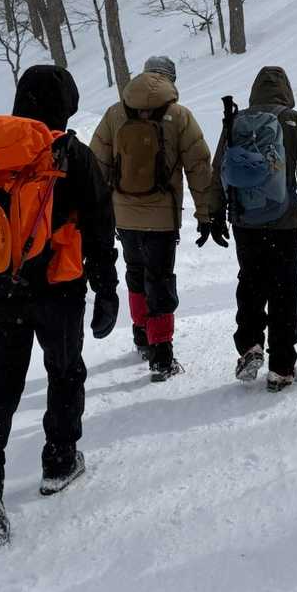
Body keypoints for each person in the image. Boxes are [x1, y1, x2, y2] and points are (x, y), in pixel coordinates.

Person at [0, 65, 119, 547]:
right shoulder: (71, 153)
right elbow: (99, 226)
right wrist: (106, 288)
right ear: (64, 104)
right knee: (64, 371)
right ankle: (60, 460)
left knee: (1, 385)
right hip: (58, 288)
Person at [90, 55, 225, 382]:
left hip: (124, 215)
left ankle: (141, 336)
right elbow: (199, 168)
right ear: (171, 80)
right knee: (160, 278)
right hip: (162, 217)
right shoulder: (179, 116)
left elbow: (96, 164)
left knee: (135, 273)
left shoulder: (115, 113)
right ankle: (162, 355)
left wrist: (99, 215)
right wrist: (205, 213)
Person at [214, 66, 297, 392]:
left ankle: (250, 344)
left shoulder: (236, 120)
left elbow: (219, 168)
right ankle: (281, 367)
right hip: (284, 221)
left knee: (250, 282)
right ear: (286, 91)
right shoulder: (296, 121)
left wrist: (214, 214)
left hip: (244, 220)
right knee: (283, 290)